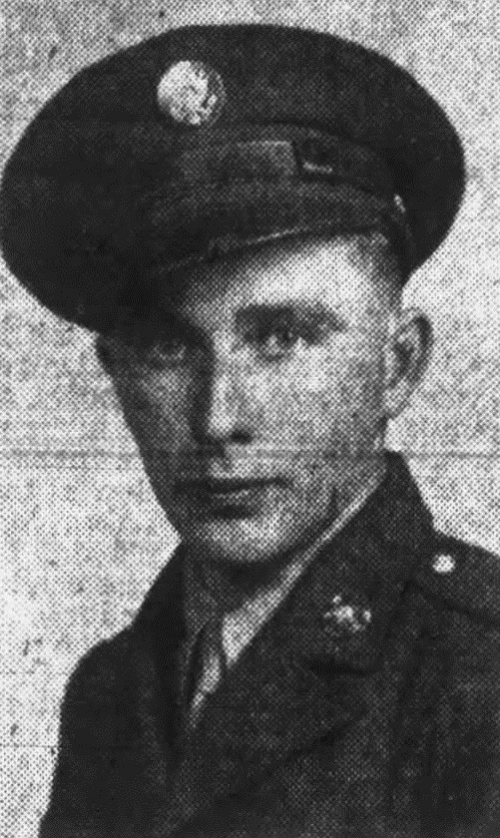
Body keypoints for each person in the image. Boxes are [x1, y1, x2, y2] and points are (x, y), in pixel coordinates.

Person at [1, 22, 499, 838]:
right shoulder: (113, 693)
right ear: (114, 373)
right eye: (168, 348)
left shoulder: (480, 679)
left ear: (398, 367)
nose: (218, 418)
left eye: (282, 338)